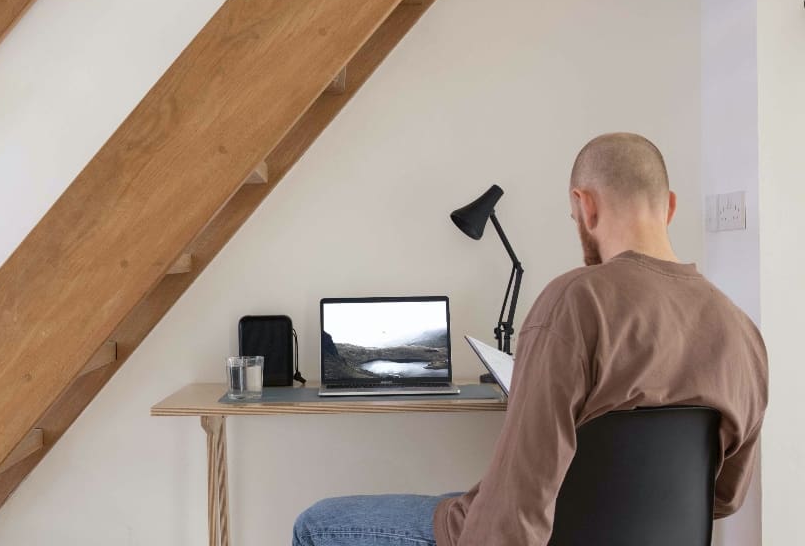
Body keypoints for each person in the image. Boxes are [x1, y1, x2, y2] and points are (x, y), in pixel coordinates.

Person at [291, 132, 768, 546]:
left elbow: (522, 496)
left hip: (528, 534)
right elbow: (721, 496)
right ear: (670, 207)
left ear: (586, 205)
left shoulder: (577, 300)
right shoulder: (741, 328)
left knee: (315, 525)